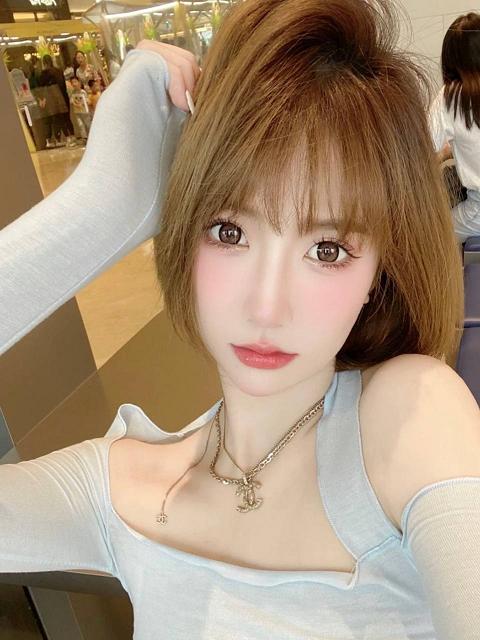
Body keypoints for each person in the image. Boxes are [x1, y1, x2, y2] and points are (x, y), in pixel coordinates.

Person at [0, 2, 479, 639]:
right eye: (229, 231)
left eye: (326, 250)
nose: (267, 306)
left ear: (377, 274)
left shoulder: (408, 421)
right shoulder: (119, 486)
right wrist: (101, 209)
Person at [430, 12, 480, 242]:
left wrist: (442, 155)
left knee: (432, 236)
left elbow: (421, 153)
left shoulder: (450, 97)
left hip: (477, 215)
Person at [69, 76, 91, 142]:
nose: (74, 84)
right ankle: (84, 138)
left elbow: (87, 100)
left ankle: (91, 136)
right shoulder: (73, 93)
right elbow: (71, 101)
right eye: (72, 82)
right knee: (80, 125)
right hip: (77, 112)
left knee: (88, 124)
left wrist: (84, 102)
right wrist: (75, 103)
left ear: (79, 82)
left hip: (85, 112)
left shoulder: (83, 92)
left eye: (75, 82)